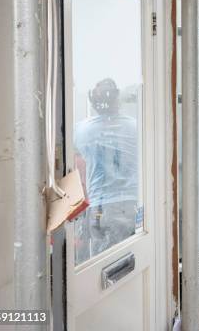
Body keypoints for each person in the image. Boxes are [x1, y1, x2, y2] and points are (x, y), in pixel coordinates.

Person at [74, 78, 139, 265]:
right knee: (132, 258)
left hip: (101, 204)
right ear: (117, 101)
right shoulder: (134, 127)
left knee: (102, 263)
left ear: (94, 103)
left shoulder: (82, 130)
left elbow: (73, 162)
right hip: (130, 202)